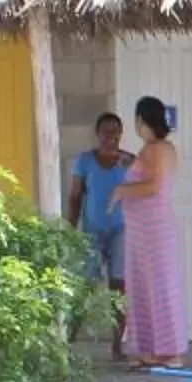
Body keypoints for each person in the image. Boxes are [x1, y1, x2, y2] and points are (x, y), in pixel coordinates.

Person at [109, 94, 192, 369]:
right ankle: (150, 349)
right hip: (140, 232)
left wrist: (122, 191)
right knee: (141, 288)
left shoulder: (160, 148)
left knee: (161, 287)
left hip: (155, 230)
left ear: (143, 120)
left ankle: (170, 351)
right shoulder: (150, 149)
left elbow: (155, 186)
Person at [64, 113, 132, 358]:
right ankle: (68, 339)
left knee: (118, 287)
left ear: (120, 134)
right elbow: (75, 196)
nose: (110, 137)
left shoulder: (127, 162)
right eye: (105, 131)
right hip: (92, 231)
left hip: (120, 231)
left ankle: (117, 345)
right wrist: (70, 229)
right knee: (86, 285)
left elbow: (144, 190)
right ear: (98, 134)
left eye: (115, 132)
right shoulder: (85, 161)